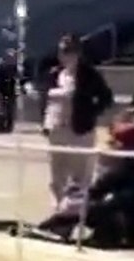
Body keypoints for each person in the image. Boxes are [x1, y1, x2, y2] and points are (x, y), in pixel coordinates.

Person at [39, 118, 134, 247]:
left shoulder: (130, 167)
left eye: (114, 140)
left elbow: (104, 193)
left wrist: (78, 204)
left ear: (123, 143)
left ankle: (54, 228)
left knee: (83, 206)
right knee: (88, 202)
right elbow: (102, 189)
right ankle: (57, 227)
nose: (110, 143)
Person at [38, 33, 114, 206]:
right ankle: (58, 209)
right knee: (57, 173)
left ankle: (77, 211)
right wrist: (44, 122)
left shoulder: (88, 75)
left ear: (78, 53)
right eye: (62, 51)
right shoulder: (54, 74)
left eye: (69, 51)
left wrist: (91, 113)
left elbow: (106, 98)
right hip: (56, 131)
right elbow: (45, 100)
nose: (64, 55)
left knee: (80, 174)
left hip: (79, 131)